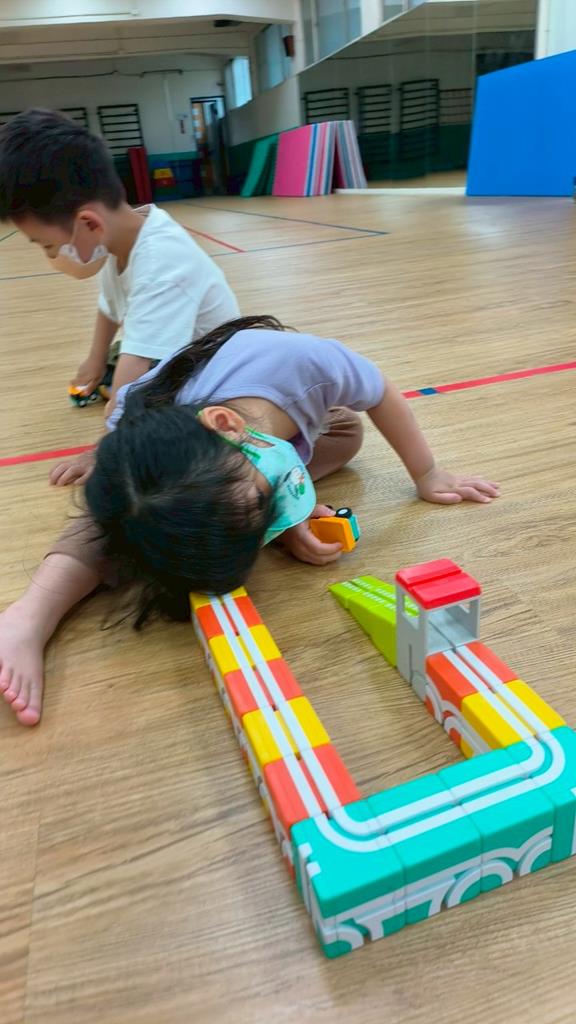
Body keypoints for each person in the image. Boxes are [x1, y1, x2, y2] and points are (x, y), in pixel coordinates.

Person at [0, 316, 499, 727]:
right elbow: (128, 412)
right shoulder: (168, 424)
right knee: (129, 511)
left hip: (267, 403)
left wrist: (427, 474)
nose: (266, 528)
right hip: (145, 420)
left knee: (348, 434)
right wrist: (104, 455)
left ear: (226, 426)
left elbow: (382, 391)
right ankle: (28, 616)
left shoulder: (312, 366)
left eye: (262, 514)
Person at [0, 108, 239, 484]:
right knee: (119, 366)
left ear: (89, 224)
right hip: (173, 350)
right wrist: (94, 360)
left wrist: (104, 448)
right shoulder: (124, 236)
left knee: (155, 435)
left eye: (48, 245)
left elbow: (137, 369)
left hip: (210, 372)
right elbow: (109, 306)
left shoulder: (161, 262)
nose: (51, 257)